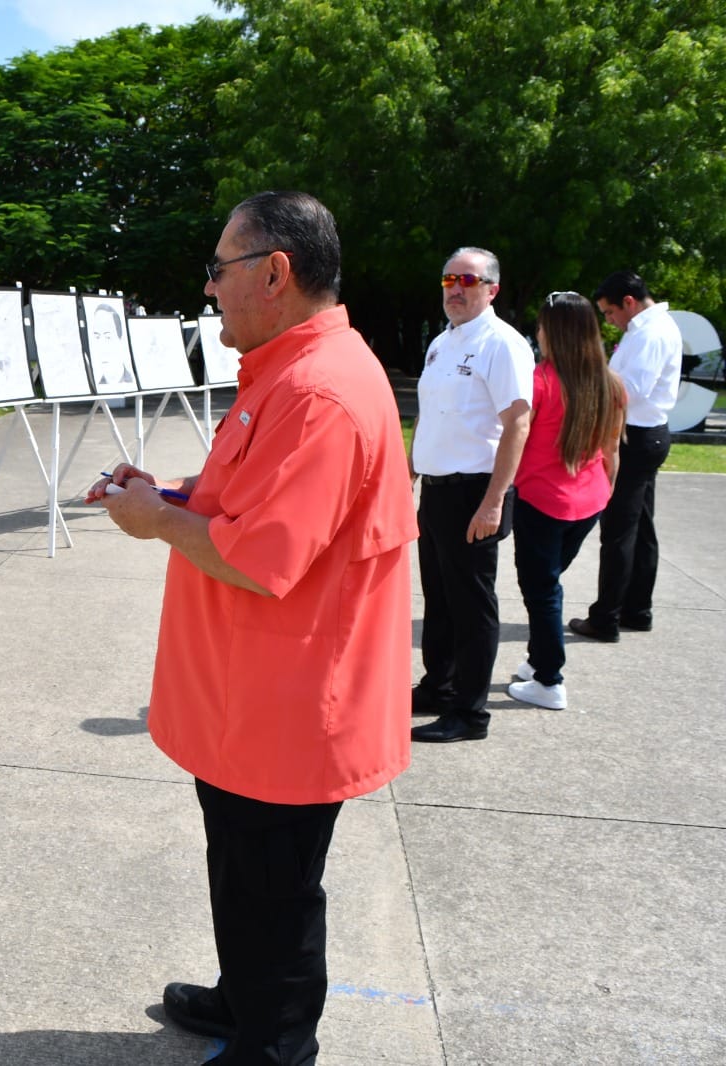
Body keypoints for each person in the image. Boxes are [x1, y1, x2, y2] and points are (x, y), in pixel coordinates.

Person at [88, 190, 417, 1066]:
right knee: (244, 871)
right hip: (252, 704)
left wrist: (160, 522)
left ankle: (275, 1047)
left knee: (274, 887)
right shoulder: (285, 374)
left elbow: (262, 559)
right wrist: (171, 498)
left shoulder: (318, 393)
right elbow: (244, 505)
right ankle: (246, 998)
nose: (209, 290)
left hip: (290, 711)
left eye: (220, 270)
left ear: (275, 272)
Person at [408, 248, 533, 743]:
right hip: (437, 491)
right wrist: (409, 470)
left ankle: (470, 713)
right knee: (438, 599)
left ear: (492, 289)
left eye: (467, 280)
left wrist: (494, 501)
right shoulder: (441, 342)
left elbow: (517, 424)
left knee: (472, 606)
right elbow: (430, 413)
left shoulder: (502, 344)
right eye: (447, 281)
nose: (455, 289)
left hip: (475, 492)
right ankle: (439, 685)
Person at [508, 292, 626, 709]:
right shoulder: (610, 384)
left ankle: (549, 679)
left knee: (541, 590)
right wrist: (603, 495)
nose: (538, 333)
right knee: (548, 584)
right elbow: (612, 453)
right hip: (590, 502)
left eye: (541, 325)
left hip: (542, 502)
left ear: (553, 332)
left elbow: (515, 439)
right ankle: (538, 658)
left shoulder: (539, 381)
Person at [569, 271, 683, 642]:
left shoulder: (650, 333)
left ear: (629, 303)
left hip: (635, 439)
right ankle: (636, 609)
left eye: (609, 312)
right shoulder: (649, 329)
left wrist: (590, 379)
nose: (609, 321)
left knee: (618, 531)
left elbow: (631, 388)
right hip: (647, 435)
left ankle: (606, 618)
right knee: (640, 529)